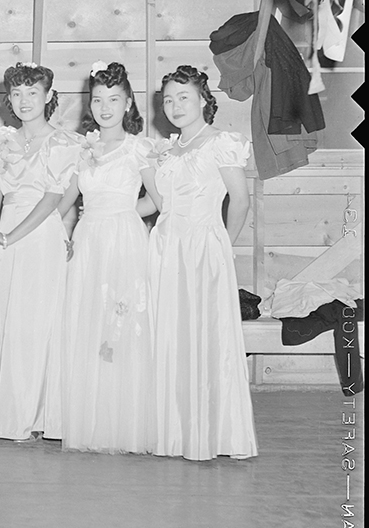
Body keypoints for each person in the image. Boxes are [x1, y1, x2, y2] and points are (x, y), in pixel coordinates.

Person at [142, 65, 258, 461]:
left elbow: (240, 200)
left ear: (205, 101)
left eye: (183, 97)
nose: (174, 106)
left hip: (203, 247)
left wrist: (223, 246)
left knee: (204, 337)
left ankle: (209, 433)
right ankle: (171, 432)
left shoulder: (221, 143)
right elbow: (156, 204)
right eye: (168, 99)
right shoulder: (165, 151)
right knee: (169, 335)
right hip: (165, 247)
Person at [0, 62, 83, 442]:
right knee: (8, 321)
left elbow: (54, 199)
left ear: (49, 97)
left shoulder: (64, 143)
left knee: (36, 326)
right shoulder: (1, 142)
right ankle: (6, 413)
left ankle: (37, 416)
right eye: (17, 94)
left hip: (38, 235)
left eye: (32, 93)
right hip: (6, 233)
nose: (24, 102)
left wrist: (12, 237)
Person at [56, 61, 156, 454]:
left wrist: (125, 213)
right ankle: (90, 420)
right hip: (88, 239)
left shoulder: (139, 148)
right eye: (98, 100)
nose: (105, 107)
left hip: (124, 239)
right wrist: (60, 233)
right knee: (88, 320)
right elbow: (63, 201)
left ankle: (125, 422)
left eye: (114, 99)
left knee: (122, 322)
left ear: (128, 102)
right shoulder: (82, 149)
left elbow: (158, 200)